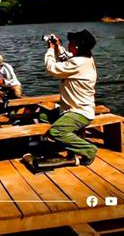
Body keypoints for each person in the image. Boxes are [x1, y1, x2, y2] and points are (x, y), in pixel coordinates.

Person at [42, 29, 98, 165]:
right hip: (70, 108)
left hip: (79, 112)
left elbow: (51, 68)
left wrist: (50, 50)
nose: (69, 45)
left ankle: (88, 149)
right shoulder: (85, 58)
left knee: (56, 131)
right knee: (42, 117)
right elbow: (66, 58)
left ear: (77, 46)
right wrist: (58, 46)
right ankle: (65, 141)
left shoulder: (78, 63)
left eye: (71, 43)